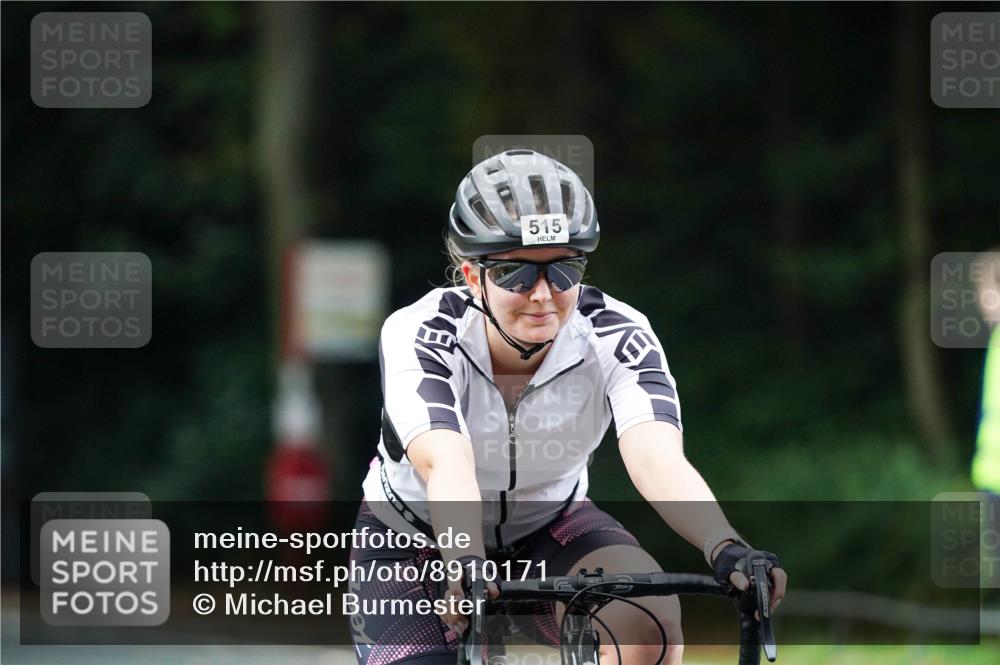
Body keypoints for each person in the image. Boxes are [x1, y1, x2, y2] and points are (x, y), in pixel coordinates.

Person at [349, 150, 787, 665]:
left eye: (564, 270)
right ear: (472, 275)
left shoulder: (614, 334)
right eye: (515, 274)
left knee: (649, 628)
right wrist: (465, 560)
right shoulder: (421, 332)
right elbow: (445, 460)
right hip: (414, 538)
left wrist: (724, 544)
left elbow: (655, 456)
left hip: (553, 527)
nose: (542, 295)